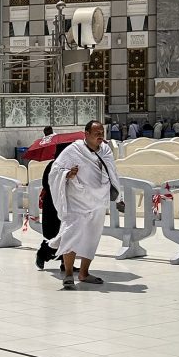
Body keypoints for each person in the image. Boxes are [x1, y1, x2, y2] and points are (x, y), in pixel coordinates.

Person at [49, 120, 124, 288]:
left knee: (92, 237)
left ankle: (84, 273)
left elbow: (113, 173)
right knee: (71, 235)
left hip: (98, 201)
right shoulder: (73, 150)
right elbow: (55, 171)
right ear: (86, 134)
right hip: (77, 201)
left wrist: (119, 196)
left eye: (102, 133)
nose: (100, 136)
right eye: (96, 133)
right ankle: (68, 274)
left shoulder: (105, 150)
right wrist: (68, 174)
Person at [35, 142, 71, 270]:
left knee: (68, 234)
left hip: (68, 204)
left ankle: (65, 264)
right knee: (53, 234)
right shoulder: (53, 166)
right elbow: (47, 183)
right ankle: (42, 254)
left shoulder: (72, 166)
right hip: (52, 205)